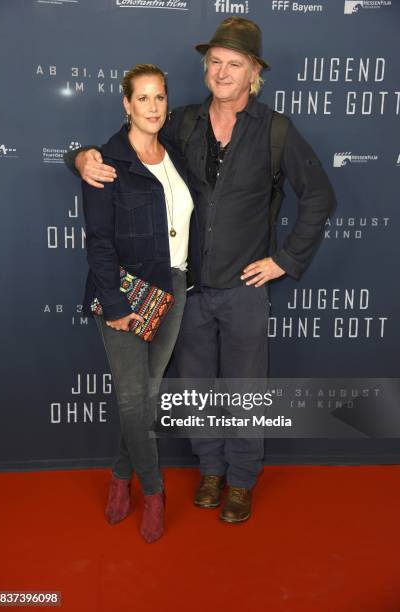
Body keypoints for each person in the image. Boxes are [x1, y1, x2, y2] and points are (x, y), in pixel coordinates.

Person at [66, 18, 336, 525]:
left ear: (254, 72)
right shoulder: (181, 121)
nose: (223, 71)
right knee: (195, 389)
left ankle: (239, 480)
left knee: (244, 390)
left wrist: (285, 259)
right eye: (215, 61)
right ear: (204, 67)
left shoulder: (276, 130)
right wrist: (78, 158)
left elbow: (320, 196)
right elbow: (126, 147)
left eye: (235, 63)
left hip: (244, 291)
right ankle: (210, 470)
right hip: (186, 289)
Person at [80, 63, 197, 543]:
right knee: (134, 399)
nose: (153, 107)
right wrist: (113, 303)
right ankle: (153, 493)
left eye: (160, 97)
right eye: (143, 98)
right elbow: (99, 242)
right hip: (125, 292)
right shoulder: (107, 161)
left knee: (144, 398)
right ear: (126, 104)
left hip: (174, 290)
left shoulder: (178, 157)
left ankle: (117, 474)